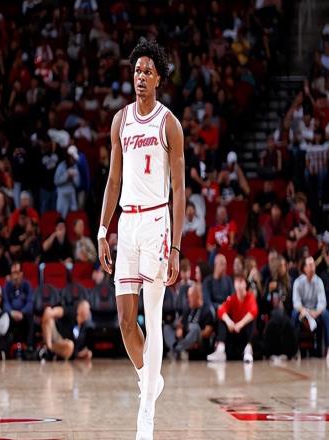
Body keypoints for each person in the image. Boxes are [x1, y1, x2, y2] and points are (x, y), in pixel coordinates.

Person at [97, 40, 185, 439]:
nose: (141, 77)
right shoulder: (121, 121)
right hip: (127, 224)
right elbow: (113, 179)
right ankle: (150, 379)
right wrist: (103, 230)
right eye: (137, 71)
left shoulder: (169, 124)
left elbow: (179, 190)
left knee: (153, 314)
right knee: (125, 320)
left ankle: (145, 411)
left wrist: (176, 246)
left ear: (159, 79)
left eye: (148, 71)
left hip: (156, 223)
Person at [291, 256, 329, 361]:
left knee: (326, 314)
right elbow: (296, 302)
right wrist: (303, 311)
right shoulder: (298, 282)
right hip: (303, 311)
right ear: (304, 268)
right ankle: (293, 349)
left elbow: (322, 302)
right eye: (310, 265)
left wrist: (316, 312)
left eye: (313, 265)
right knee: (294, 314)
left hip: (315, 312)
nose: (312, 267)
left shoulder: (319, 281)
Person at [207, 274, 258, 363]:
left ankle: (248, 350)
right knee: (222, 318)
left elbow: (254, 311)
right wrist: (228, 321)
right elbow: (221, 310)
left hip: (245, 332)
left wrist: (241, 324)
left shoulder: (250, 297)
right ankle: (220, 350)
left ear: (245, 284)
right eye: (237, 282)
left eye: (241, 281)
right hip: (234, 332)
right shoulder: (232, 298)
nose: (239, 285)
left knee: (252, 320)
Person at [163, 282, 215, 359]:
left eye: (190, 297)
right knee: (167, 328)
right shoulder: (188, 308)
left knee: (195, 328)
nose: (188, 299)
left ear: (197, 296)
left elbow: (208, 333)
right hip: (186, 339)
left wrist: (193, 337)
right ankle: (178, 347)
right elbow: (181, 324)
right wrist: (179, 329)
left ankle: (177, 348)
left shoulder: (208, 310)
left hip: (200, 343)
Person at [3, 262, 34, 349]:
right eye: (13, 273)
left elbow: (30, 303)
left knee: (31, 316)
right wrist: (11, 312)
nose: (15, 276)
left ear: (21, 274)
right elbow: (5, 302)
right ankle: (6, 348)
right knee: (4, 315)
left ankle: (29, 346)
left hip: (23, 314)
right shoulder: (7, 286)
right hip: (12, 314)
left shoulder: (27, 285)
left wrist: (22, 312)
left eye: (17, 272)